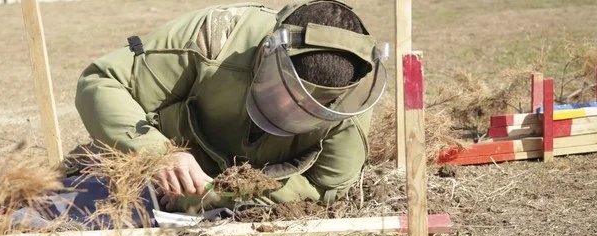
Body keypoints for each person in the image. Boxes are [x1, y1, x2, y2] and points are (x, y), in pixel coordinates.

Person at [68, 0, 388, 214]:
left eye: (318, 105)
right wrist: (158, 153)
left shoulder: (350, 104)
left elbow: (324, 186)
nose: (293, 113)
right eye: (286, 91)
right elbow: (100, 83)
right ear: (265, 54)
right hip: (150, 181)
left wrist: (220, 195)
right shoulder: (215, 39)